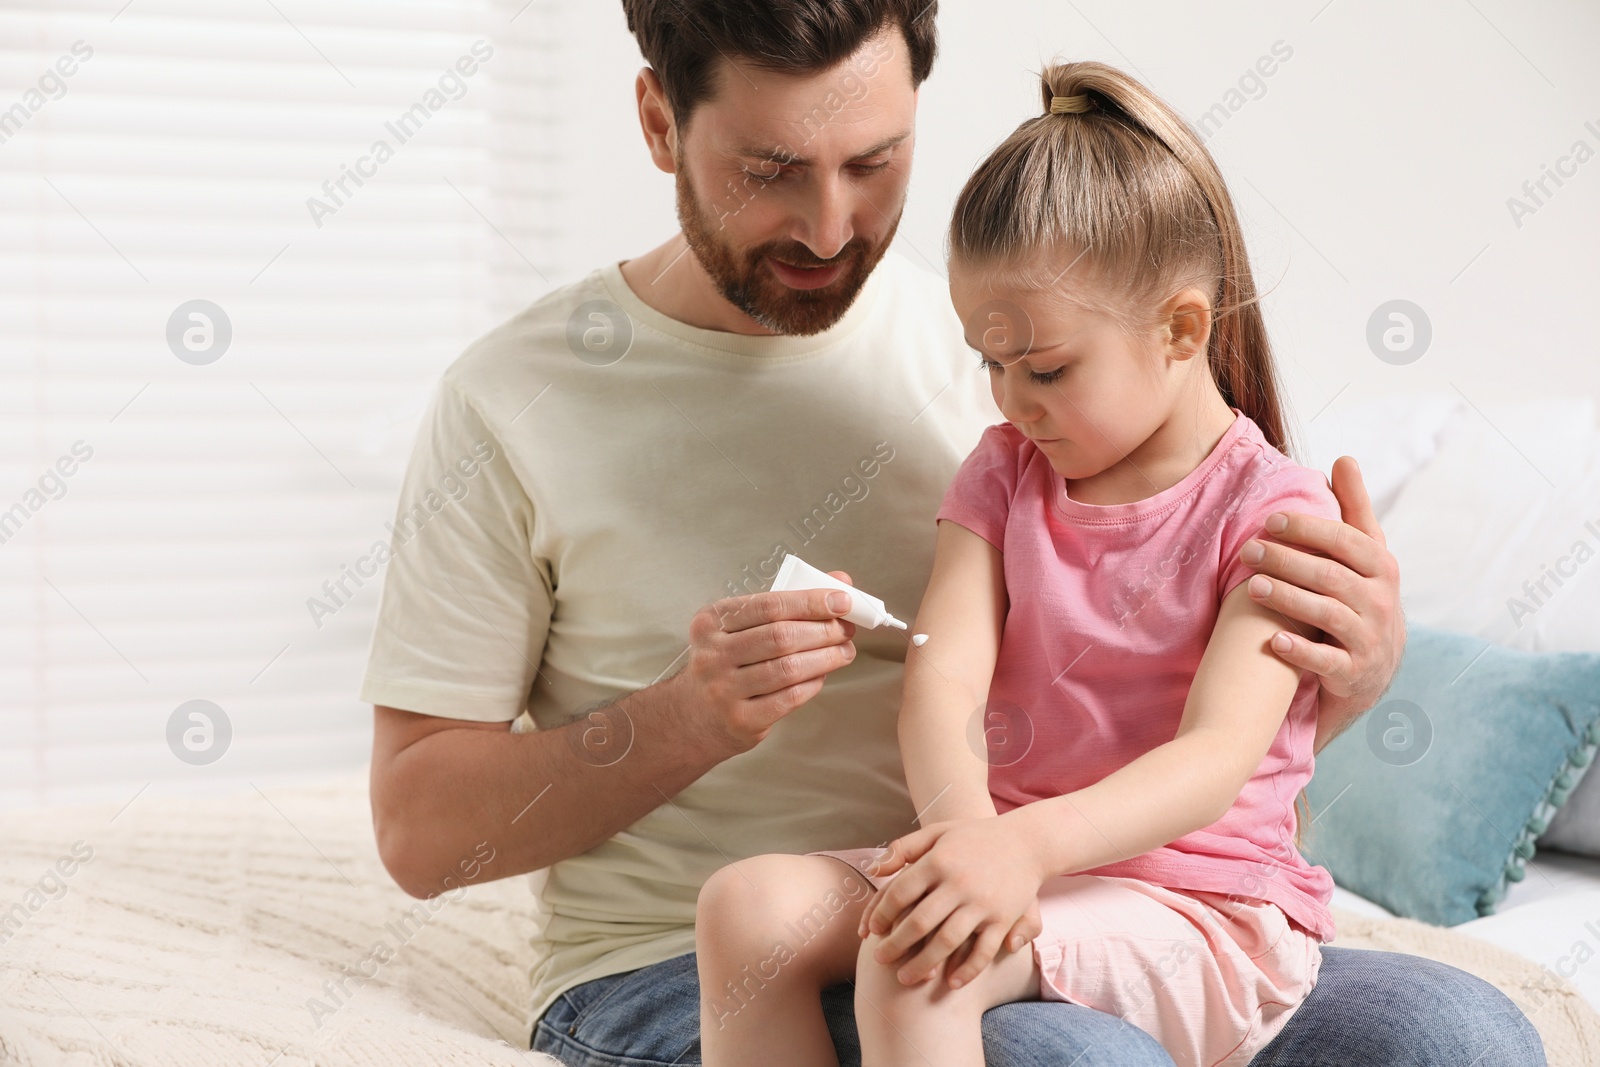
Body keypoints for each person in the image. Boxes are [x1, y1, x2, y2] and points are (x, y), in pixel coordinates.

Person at [360, 2, 1543, 1064]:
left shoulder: (1012, 331)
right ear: (660, 121)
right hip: (695, 949)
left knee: (1461, 1032)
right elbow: (417, 834)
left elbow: (1196, 721)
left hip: (1087, 885)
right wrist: (684, 718)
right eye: (772, 169)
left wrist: (1350, 671)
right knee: (1054, 1050)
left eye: (873, 163)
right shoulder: (510, 402)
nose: (829, 227)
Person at [695, 58, 1361, 1067]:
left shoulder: (1271, 511)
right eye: (989, 363)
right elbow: (944, 671)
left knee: (918, 954)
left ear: (1180, 328)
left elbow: (1214, 759)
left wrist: (1018, 848)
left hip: (1198, 906)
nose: (1012, 400)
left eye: (1044, 368)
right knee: (742, 907)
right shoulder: (1005, 472)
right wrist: (968, 833)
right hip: (1014, 860)